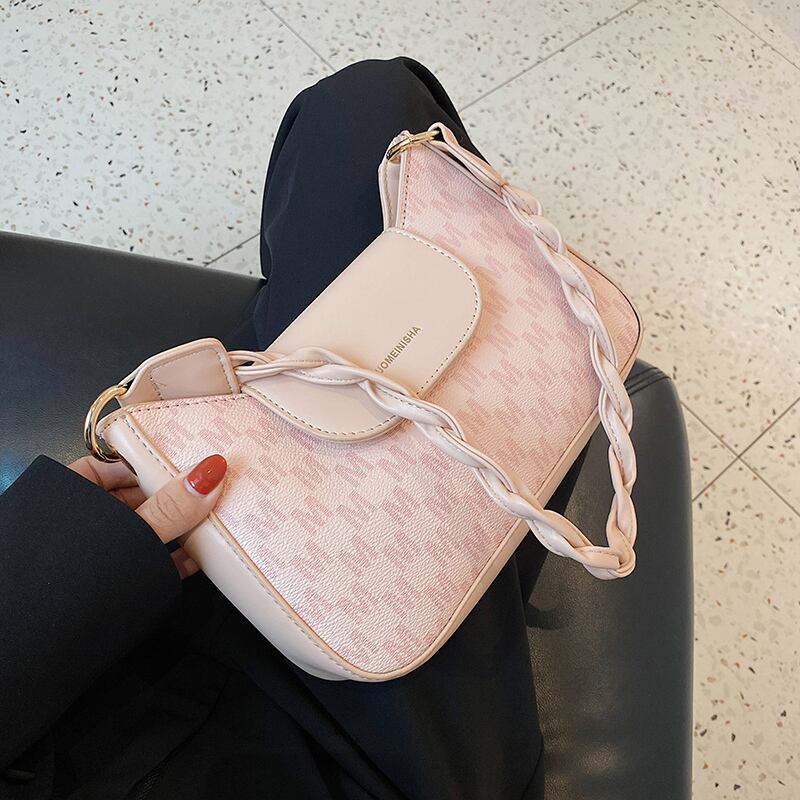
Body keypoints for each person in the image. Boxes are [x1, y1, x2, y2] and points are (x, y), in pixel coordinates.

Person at [0, 58, 580, 799]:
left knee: (368, 108)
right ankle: (552, 358)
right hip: (365, 755)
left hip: (104, 632)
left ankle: (545, 353)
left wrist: (65, 564)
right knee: (381, 132)